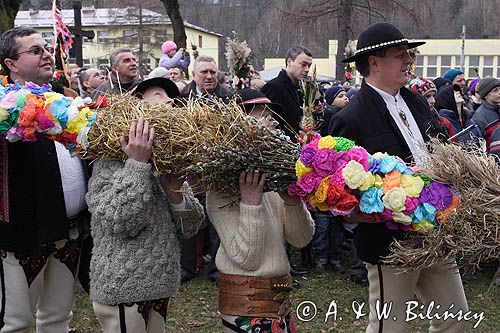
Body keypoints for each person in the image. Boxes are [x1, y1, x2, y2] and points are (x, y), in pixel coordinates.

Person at [328, 22, 468, 332]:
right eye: (399, 54)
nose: (409, 61)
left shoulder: (415, 101)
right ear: (374, 62)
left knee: (455, 318)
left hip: (435, 232)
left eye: (409, 54)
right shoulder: (349, 119)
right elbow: (341, 193)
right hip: (390, 244)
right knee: (390, 327)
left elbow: (437, 148)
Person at [86, 77, 204, 333]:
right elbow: (123, 221)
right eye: (159, 95)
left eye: (171, 97)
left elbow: (191, 227)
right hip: (123, 291)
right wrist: (138, 163)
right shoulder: (109, 160)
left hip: (160, 287)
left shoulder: (168, 162)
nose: (171, 101)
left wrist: (175, 193)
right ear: (135, 107)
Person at [0, 26, 89, 332]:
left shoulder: (68, 99)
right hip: (22, 235)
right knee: (17, 323)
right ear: (11, 64)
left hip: (69, 231)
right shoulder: (3, 107)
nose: (46, 55)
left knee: (57, 318)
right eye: (35, 51)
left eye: (46, 48)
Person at [207, 88, 314, 332]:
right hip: (247, 307)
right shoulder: (222, 190)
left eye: (271, 115)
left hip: (280, 304)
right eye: (263, 116)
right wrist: (250, 204)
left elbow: (301, 239)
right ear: (239, 126)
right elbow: (247, 259)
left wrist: (292, 201)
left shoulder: (273, 178)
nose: (273, 123)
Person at [261, 45, 313, 140]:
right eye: (303, 64)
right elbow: (267, 123)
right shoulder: (274, 87)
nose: (307, 69)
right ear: (289, 62)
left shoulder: (299, 88)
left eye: (309, 66)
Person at [472, 77, 500, 163]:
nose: (499, 92)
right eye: (495, 90)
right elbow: (479, 146)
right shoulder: (479, 117)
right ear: (486, 95)